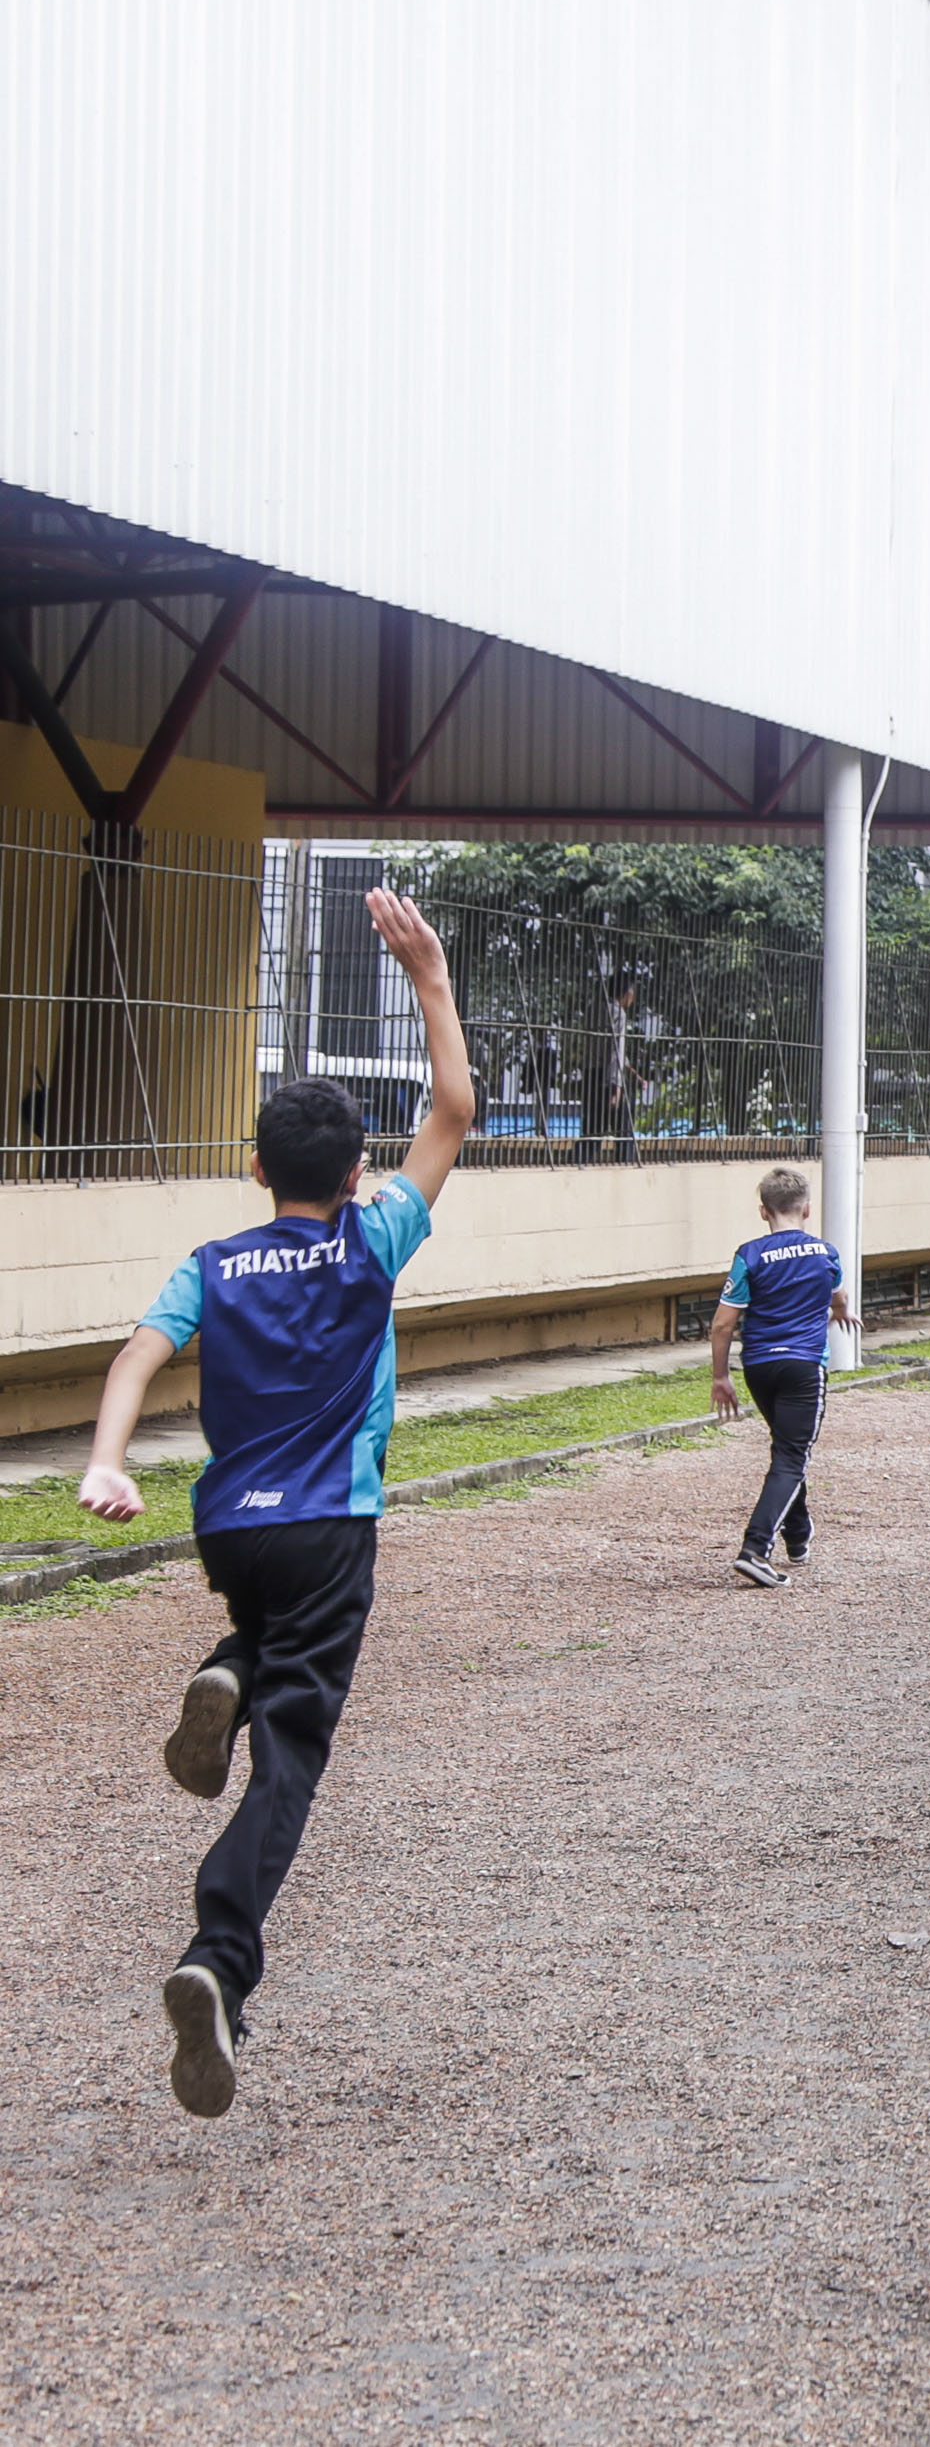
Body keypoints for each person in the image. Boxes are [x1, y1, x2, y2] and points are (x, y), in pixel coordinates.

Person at [76, 888, 478, 2120]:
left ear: (254, 1170)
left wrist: (107, 1460)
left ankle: (228, 1669)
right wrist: (429, 981)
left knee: (263, 1639)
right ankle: (218, 1959)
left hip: (228, 1528)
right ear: (357, 1173)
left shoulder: (213, 1263)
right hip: (327, 1526)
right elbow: (454, 1113)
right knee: (287, 1772)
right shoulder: (372, 1239)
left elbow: (137, 1356)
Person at [710, 1164, 854, 1588]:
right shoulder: (825, 1253)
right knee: (793, 1455)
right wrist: (843, 1312)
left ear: (763, 1211)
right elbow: (838, 1293)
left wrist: (721, 1377)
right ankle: (755, 1549)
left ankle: (798, 1535)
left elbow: (722, 1325)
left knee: (787, 1449)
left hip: (759, 1366)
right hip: (804, 1365)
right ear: (807, 1209)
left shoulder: (749, 1255)